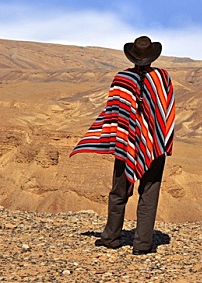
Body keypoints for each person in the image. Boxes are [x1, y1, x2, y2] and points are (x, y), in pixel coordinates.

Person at [70, 36, 175, 255]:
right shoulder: (162, 78)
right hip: (153, 145)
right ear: (152, 56)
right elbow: (167, 111)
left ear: (133, 56)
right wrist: (162, 141)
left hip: (125, 144)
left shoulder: (121, 79)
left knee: (118, 191)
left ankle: (110, 238)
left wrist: (119, 138)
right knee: (149, 193)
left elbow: (113, 113)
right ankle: (143, 245)